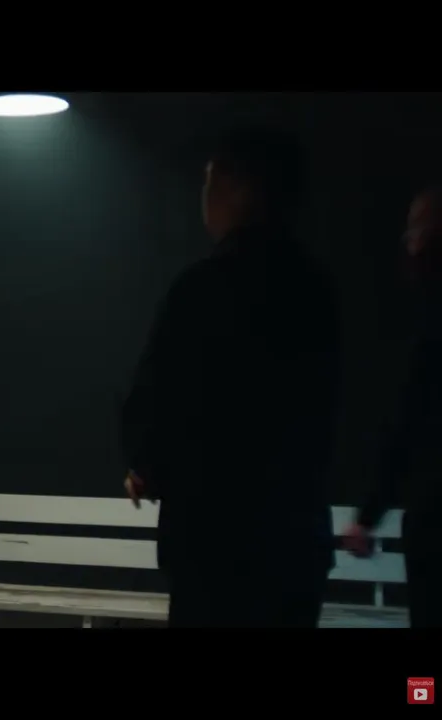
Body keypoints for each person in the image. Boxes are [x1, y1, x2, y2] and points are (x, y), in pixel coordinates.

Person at [120, 128, 342, 628]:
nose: (206, 196)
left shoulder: (204, 286)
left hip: (214, 544)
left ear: (240, 190)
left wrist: (145, 466)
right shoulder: (317, 288)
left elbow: (159, 397)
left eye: (211, 182)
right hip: (296, 543)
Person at [343, 186, 442, 628]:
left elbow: (407, 423)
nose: (408, 242)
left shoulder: (429, 325)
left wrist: (368, 515)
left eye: (414, 231)